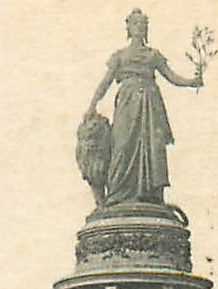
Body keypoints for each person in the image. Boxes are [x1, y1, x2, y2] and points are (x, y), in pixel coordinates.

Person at [84, 9, 204, 206]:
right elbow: (105, 82)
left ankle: (150, 194)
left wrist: (192, 82)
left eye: (143, 24)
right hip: (127, 103)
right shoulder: (119, 56)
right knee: (121, 145)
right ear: (129, 28)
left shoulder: (153, 55)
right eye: (136, 24)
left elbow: (172, 77)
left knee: (152, 145)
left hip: (150, 104)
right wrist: (92, 105)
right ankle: (117, 194)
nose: (140, 27)